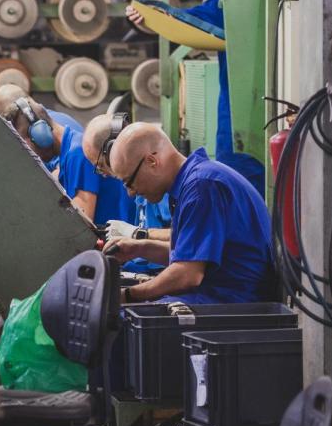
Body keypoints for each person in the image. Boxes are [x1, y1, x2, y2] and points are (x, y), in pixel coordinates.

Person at [124, 0, 267, 196]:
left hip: (272, 125)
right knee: (243, 195)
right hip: (242, 131)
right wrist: (149, 16)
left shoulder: (301, 5)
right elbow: (189, 21)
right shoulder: (232, 2)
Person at [102, 122, 276, 304]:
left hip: (236, 300)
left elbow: (187, 274)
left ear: (151, 161)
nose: (130, 192)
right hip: (223, 292)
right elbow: (190, 257)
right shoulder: (192, 182)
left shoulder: (202, 187)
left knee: (120, 319)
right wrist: (139, 248)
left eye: (129, 182)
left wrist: (128, 295)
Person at [0, 86, 135, 226]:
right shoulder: (68, 153)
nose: (26, 152)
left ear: (40, 134)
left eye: (24, 142)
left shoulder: (77, 153)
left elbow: (82, 222)